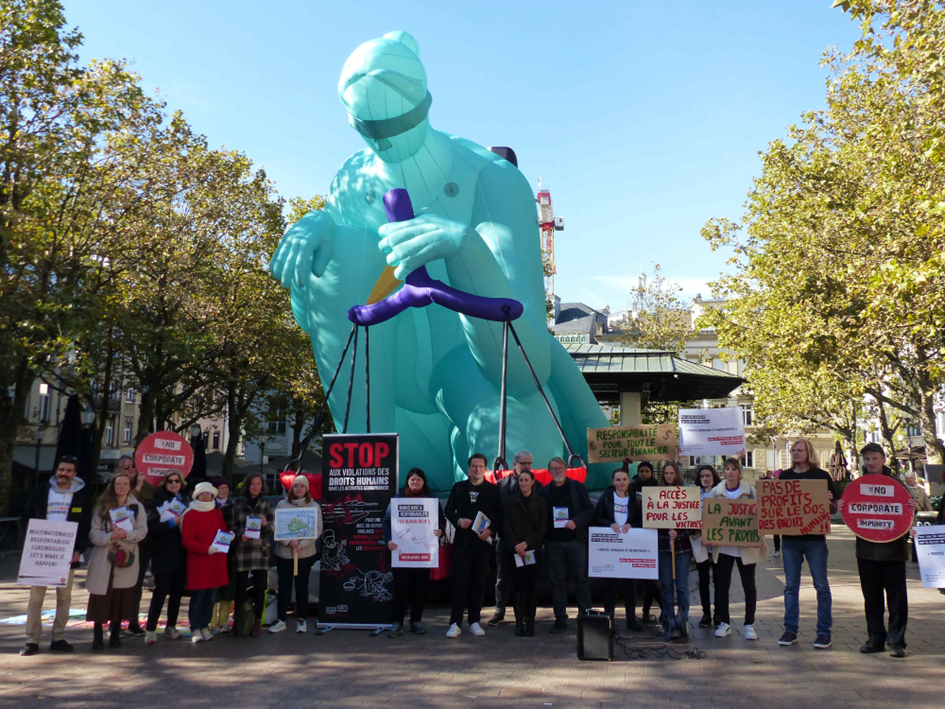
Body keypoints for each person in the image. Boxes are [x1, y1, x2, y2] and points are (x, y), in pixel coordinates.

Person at [837, 443, 917, 658]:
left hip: (893, 552)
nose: (870, 462)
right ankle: (875, 639)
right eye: (867, 459)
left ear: (883, 459)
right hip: (866, 552)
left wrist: (913, 508)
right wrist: (842, 507)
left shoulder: (897, 485)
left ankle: (896, 642)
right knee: (872, 599)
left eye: (874, 458)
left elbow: (908, 514)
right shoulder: (857, 486)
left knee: (896, 599)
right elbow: (853, 515)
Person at [19, 456, 92, 656]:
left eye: (68, 471)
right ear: (56, 471)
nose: (63, 474)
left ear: (74, 474)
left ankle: (58, 637)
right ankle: (32, 640)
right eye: (61, 470)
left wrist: (79, 550)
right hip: (41, 554)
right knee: (35, 600)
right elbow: (26, 517)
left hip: (67, 556)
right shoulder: (41, 491)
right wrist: (32, 542)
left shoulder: (81, 495)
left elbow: (85, 525)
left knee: (64, 599)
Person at [776, 440, 837, 650]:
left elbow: (833, 509)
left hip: (815, 540)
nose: (795, 453)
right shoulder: (784, 476)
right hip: (790, 540)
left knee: (821, 586)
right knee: (791, 586)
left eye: (799, 450)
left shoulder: (822, 476)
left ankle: (824, 633)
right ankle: (790, 629)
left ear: (808, 452)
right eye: (793, 450)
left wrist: (829, 502)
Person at [86, 473, 148, 650]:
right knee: (100, 597)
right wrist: (110, 536)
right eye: (118, 484)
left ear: (130, 486)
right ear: (113, 486)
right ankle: (97, 636)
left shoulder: (137, 507)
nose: (121, 487)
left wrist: (126, 535)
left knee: (121, 597)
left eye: (125, 484)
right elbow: (93, 533)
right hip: (104, 557)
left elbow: (142, 531)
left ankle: (115, 634)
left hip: (126, 556)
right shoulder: (102, 506)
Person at [444, 453, 503, 638]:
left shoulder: (493, 490)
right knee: (460, 582)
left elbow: (500, 516)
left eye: (481, 466)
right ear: (469, 469)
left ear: (485, 469)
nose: (477, 469)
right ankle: (455, 623)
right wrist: (458, 520)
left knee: (478, 583)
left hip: (482, 544)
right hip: (462, 543)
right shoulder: (458, 487)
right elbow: (448, 510)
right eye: (474, 466)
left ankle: (475, 621)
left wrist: (490, 531)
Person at [708, 458, 767, 641]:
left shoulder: (750, 491)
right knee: (722, 586)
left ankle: (749, 624)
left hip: (746, 546)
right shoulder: (715, 492)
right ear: (723, 472)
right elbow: (708, 517)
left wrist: (759, 536)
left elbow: (762, 515)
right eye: (727, 469)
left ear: (739, 472)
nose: (730, 472)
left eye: (734, 469)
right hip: (724, 547)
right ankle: (725, 623)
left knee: (749, 586)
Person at [384, 468, 445, 637]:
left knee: (420, 589)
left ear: (424, 482)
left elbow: (441, 520)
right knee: (400, 589)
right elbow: (387, 521)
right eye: (412, 480)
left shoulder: (431, 499)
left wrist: (440, 530)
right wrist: (388, 539)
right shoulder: (398, 499)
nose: (415, 483)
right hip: (401, 553)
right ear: (407, 482)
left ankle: (416, 621)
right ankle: (397, 623)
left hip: (423, 554)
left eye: (418, 480)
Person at [538, 456, 594, 634]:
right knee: (557, 583)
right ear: (549, 472)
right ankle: (560, 619)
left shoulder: (578, 488)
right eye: (553, 469)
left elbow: (589, 510)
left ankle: (586, 616)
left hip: (575, 542)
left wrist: (576, 522)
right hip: (553, 543)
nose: (557, 471)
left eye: (560, 468)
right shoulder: (544, 492)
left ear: (566, 470)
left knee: (581, 580)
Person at [488, 450, 538, 626]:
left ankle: (525, 614)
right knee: (502, 578)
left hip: (527, 543)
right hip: (506, 540)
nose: (526, 467)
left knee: (526, 579)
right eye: (523, 463)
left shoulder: (535, 485)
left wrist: (527, 542)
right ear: (514, 464)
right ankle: (499, 611)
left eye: (529, 463)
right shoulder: (502, 484)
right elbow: (496, 512)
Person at [271, 475, 323, 634]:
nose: (299, 489)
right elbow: (276, 526)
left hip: (305, 554)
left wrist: (302, 544)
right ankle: (281, 620)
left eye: (302, 486)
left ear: (306, 489)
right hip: (284, 555)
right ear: (292, 488)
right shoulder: (282, 504)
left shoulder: (313, 506)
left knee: (302, 587)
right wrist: (289, 542)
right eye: (296, 486)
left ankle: (301, 619)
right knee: (284, 587)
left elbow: (318, 529)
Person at [144, 472, 190, 643]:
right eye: (170, 481)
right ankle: (150, 629)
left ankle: (171, 626)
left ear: (181, 482)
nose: (173, 483)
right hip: (163, 553)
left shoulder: (187, 501)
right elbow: (152, 528)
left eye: (176, 480)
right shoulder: (157, 502)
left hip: (182, 552)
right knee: (161, 591)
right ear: (164, 483)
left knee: (177, 593)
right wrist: (172, 524)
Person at [227, 472, 275, 637]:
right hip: (242, 550)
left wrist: (265, 524)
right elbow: (230, 526)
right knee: (240, 589)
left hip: (260, 551)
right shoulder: (237, 503)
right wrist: (240, 536)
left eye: (258, 484)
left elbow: (273, 529)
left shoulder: (266, 504)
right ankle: (238, 621)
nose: (255, 486)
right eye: (252, 484)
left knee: (260, 589)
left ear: (262, 487)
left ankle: (256, 622)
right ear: (247, 485)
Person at [181, 482, 229, 643]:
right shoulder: (190, 514)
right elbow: (187, 540)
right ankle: (195, 627)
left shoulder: (217, 513)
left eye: (209, 493)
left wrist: (230, 536)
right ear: (197, 496)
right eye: (203, 494)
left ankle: (205, 626)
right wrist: (207, 549)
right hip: (199, 563)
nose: (206, 496)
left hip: (215, 562)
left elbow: (222, 532)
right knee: (198, 598)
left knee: (211, 598)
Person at [594, 467, 641, 630]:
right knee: (610, 586)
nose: (621, 482)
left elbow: (643, 520)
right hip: (611, 547)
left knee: (630, 585)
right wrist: (610, 524)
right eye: (618, 480)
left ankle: (631, 620)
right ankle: (609, 620)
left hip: (629, 545)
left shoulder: (636, 498)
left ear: (629, 481)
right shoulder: (607, 496)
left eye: (624, 479)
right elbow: (596, 517)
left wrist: (631, 525)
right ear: (613, 482)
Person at [504, 469, 547, 636]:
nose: (523, 483)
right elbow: (506, 526)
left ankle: (530, 622)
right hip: (515, 551)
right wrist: (516, 545)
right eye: (521, 480)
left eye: (526, 480)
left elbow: (542, 528)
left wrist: (526, 544)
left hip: (532, 550)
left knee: (531, 587)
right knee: (517, 587)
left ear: (533, 482)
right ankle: (518, 622)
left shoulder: (541, 502)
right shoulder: (510, 501)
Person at [116, 455, 155, 637]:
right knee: (118, 584)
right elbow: (127, 507)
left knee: (137, 583)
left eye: (133, 466)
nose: (131, 469)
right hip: (120, 543)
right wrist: (137, 487)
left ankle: (133, 621)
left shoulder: (146, 488)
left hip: (141, 543)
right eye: (126, 467)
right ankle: (115, 623)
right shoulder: (115, 489)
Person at [658, 462, 692, 640]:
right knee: (666, 584)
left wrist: (679, 531)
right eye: (666, 473)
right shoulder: (656, 493)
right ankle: (668, 617)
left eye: (672, 473)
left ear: (677, 474)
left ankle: (683, 618)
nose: (669, 476)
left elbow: (692, 519)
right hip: (663, 545)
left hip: (681, 546)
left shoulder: (685, 493)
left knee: (682, 585)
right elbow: (652, 517)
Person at [629, 460, 662, 625]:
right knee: (642, 577)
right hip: (635, 534)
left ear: (651, 473)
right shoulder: (632, 488)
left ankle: (647, 611)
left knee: (650, 576)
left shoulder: (657, 488)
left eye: (646, 471)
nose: (643, 474)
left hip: (652, 534)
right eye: (641, 471)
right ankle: (662, 606)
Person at [691, 464, 720, 628]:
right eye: (702, 476)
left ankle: (718, 612)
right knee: (702, 579)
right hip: (699, 540)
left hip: (717, 541)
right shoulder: (694, 495)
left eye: (708, 475)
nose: (705, 479)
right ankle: (706, 613)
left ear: (713, 477)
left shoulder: (720, 495)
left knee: (718, 578)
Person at [209, 475, 234, 631]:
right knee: (213, 588)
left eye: (226, 488)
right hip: (212, 551)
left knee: (228, 588)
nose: (224, 491)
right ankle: (211, 623)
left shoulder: (234, 505)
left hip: (230, 551)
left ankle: (224, 621)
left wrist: (234, 533)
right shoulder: (208, 506)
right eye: (220, 488)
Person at [903, 470, 931, 563]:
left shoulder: (921, 489)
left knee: (917, 537)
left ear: (914, 479)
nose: (909, 480)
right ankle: (903, 555)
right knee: (905, 537)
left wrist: (931, 514)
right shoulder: (904, 490)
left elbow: (927, 503)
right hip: (908, 518)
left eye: (910, 478)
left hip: (919, 518)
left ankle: (916, 558)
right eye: (907, 478)